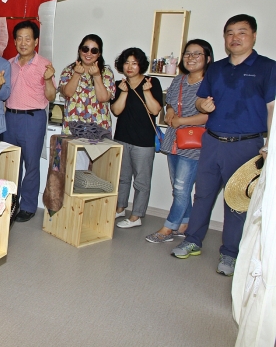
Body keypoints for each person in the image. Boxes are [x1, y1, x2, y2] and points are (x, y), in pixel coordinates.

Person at [172, 15, 275, 276]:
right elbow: (200, 102)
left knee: (236, 200)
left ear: (253, 35)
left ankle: (229, 254)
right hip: (212, 141)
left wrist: (270, 144)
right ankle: (192, 240)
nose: (235, 38)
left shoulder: (267, 67)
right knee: (203, 195)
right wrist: (201, 105)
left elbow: (272, 108)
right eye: (230, 33)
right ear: (224, 37)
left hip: (246, 145)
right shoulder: (216, 68)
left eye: (242, 32)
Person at [146, 40, 213, 243]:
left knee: (182, 188)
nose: (191, 58)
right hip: (175, 139)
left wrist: (182, 120)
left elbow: (209, 116)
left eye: (197, 54)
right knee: (178, 186)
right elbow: (170, 103)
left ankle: (169, 228)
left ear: (207, 58)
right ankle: (185, 222)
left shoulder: (210, 82)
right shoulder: (179, 80)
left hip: (194, 143)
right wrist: (171, 112)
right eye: (187, 54)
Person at [3, 20, 57, 223]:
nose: (23, 42)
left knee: (31, 164)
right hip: (9, 117)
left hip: (33, 118)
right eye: (19, 38)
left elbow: (51, 97)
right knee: (11, 163)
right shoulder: (8, 64)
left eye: (28, 38)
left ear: (35, 41)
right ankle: (11, 203)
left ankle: (28, 206)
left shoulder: (45, 65)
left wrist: (49, 79)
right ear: (15, 41)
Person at [110, 47, 163, 228]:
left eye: (134, 63)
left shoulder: (152, 82)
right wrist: (124, 92)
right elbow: (116, 111)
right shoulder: (120, 85)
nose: (130, 67)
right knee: (122, 177)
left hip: (144, 141)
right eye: (126, 63)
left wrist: (147, 92)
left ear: (141, 65)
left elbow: (155, 110)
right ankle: (120, 207)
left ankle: (137, 215)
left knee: (141, 181)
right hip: (122, 138)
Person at [58, 34, 115, 134]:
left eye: (94, 51)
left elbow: (103, 98)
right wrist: (76, 74)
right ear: (79, 50)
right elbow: (67, 93)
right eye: (85, 49)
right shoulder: (69, 71)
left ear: (99, 54)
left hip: (98, 129)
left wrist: (97, 76)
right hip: (72, 128)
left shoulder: (106, 73)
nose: (89, 53)